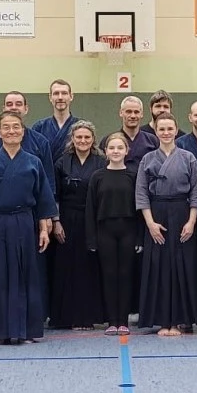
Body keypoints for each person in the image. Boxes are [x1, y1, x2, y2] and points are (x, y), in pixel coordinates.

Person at [0, 111, 57, 345]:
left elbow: (43, 199)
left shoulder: (33, 162)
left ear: (23, 132)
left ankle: (25, 329)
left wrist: (44, 229)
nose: (11, 131)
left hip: (25, 221)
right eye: (6, 127)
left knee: (25, 274)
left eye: (16, 127)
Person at [136, 113, 197, 336]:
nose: (165, 133)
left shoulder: (188, 157)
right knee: (159, 266)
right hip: (156, 213)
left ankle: (180, 321)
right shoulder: (148, 159)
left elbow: (196, 191)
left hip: (181, 212)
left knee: (182, 266)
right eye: (161, 129)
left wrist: (192, 221)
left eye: (169, 129)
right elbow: (141, 193)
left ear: (176, 131)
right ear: (156, 131)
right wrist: (150, 224)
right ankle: (162, 320)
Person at [49, 121, 106, 331]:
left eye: (87, 137)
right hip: (66, 219)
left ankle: (88, 316)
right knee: (66, 267)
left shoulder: (101, 162)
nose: (83, 141)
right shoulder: (61, 163)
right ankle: (65, 317)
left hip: (93, 218)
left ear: (93, 140)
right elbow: (53, 195)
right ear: (72, 139)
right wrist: (56, 222)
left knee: (89, 267)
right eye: (79, 137)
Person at [87, 133, 140, 334]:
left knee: (126, 275)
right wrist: (91, 238)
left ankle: (123, 320)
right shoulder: (97, 177)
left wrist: (139, 237)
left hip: (128, 230)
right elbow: (90, 209)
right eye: (112, 148)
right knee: (109, 275)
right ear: (105, 151)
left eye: (120, 148)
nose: (116, 151)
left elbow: (140, 208)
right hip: (104, 231)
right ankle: (111, 321)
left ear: (127, 151)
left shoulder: (133, 176)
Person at [31, 79, 78, 164]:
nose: (60, 97)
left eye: (64, 93)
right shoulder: (39, 127)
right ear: (50, 97)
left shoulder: (81, 126)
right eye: (56, 93)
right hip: (46, 175)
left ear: (71, 96)